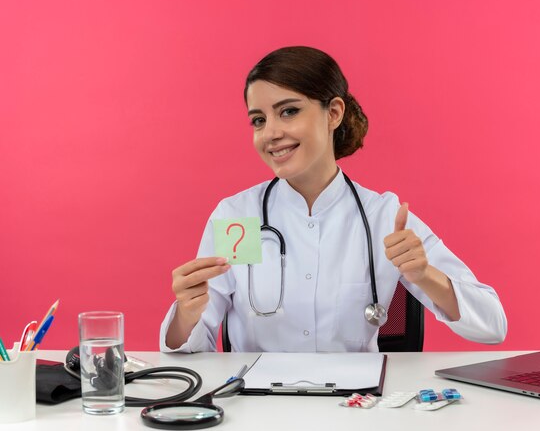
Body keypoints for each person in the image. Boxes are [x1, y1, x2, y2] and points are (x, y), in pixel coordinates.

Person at [160, 46, 507, 353]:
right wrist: (187, 314)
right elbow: (190, 348)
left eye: (289, 111)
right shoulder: (241, 218)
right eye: (258, 120)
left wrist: (425, 275)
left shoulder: (383, 217)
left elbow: (492, 326)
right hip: (258, 408)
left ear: (334, 113)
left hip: (356, 407)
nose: (271, 133)